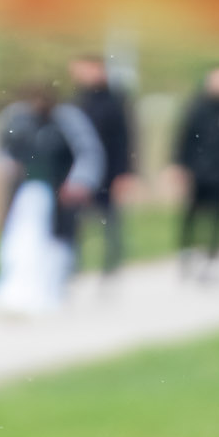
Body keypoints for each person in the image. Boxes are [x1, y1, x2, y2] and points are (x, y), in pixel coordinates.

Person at [0, 84, 105, 314]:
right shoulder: (16, 120)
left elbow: (87, 152)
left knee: (56, 242)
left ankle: (53, 288)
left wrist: (79, 181)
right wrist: (3, 166)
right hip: (24, 193)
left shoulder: (67, 122)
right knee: (21, 240)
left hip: (58, 194)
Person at [170, 66, 219, 278]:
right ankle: (186, 253)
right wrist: (179, 165)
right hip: (198, 170)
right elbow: (183, 137)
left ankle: (214, 258)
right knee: (192, 213)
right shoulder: (197, 107)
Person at [68, 53, 139, 277]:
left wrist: (126, 172)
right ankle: (73, 265)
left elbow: (127, 137)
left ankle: (112, 265)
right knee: (75, 220)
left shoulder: (116, 100)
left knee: (110, 220)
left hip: (110, 171)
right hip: (80, 173)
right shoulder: (77, 100)